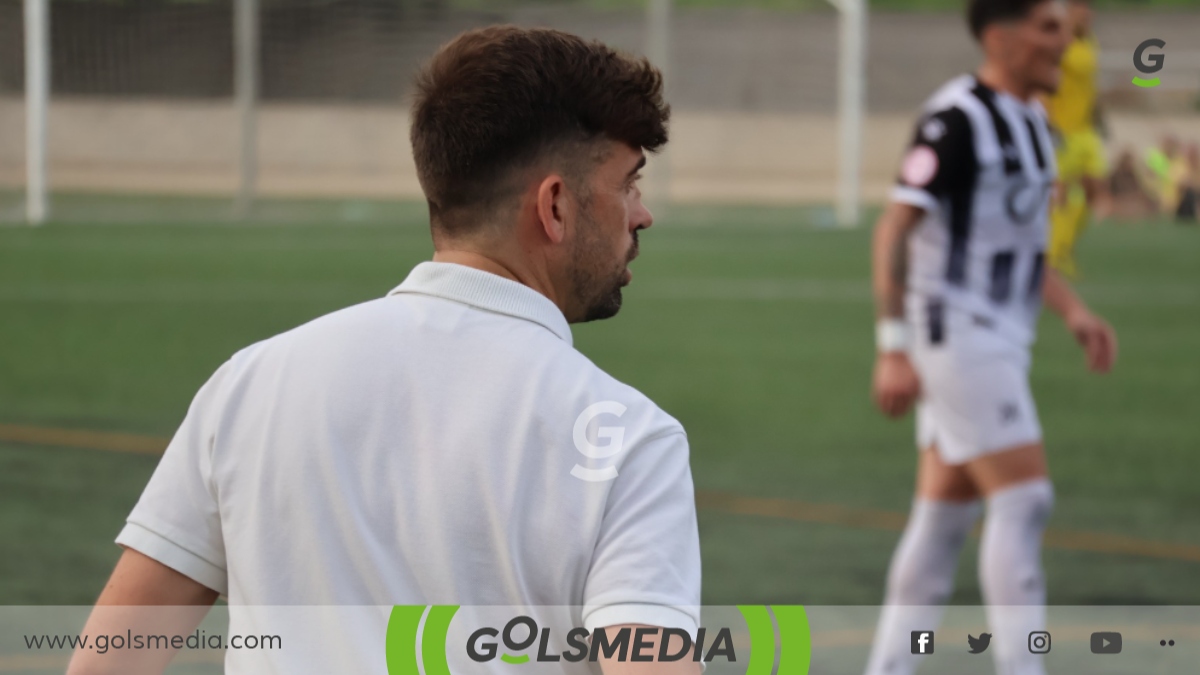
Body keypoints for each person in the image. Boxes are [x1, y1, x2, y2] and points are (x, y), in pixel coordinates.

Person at [68, 26, 700, 675]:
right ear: (555, 205)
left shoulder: (252, 383)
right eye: (628, 183)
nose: (641, 212)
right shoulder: (626, 437)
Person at [864, 1, 1118, 674]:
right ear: (1001, 38)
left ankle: (888, 665)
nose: (1065, 43)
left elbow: (1022, 250)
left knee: (943, 519)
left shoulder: (1037, 123)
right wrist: (893, 345)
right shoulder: (955, 119)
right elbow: (894, 230)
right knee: (1024, 498)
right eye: (1049, 28)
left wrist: (1074, 311)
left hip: (1003, 336)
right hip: (956, 333)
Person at [1044, 0, 1108, 278]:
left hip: (1086, 131)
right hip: (1062, 131)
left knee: (1095, 192)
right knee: (1060, 194)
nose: (1088, 12)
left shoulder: (1090, 41)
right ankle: (1054, 256)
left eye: (1090, 7)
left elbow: (1089, 86)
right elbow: (1045, 82)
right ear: (1069, 11)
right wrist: (1047, 122)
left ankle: (1064, 246)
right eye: (1082, 6)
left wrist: (1099, 116)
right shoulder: (1057, 42)